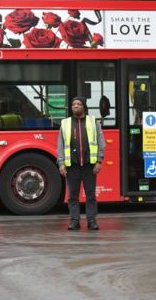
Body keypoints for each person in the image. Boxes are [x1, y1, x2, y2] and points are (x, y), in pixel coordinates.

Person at [57, 96, 106, 231]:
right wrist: (61, 163)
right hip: (72, 166)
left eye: (79, 104)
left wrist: (99, 161)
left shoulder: (93, 122)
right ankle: (74, 221)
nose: (76, 106)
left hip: (90, 166)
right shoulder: (65, 123)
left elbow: (101, 143)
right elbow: (60, 145)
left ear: (84, 107)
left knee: (90, 195)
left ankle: (91, 221)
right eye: (73, 104)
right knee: (72, 196)